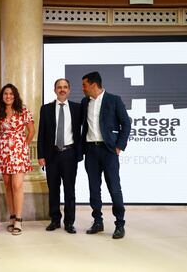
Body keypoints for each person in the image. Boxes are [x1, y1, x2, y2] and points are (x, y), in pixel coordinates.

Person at [80, 71, 131, 239]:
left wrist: (119, 147)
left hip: (109, 151)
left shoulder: (114, 100)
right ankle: (97, 221)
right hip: (91, 151)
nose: (83, 89)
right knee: (94, 189)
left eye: (85, 85)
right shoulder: (84, 102)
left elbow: (126, 123)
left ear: (94, 85)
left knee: (114, 189)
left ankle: (120, 224)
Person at [37, 78, 82, 234]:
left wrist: (79, 153)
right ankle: (55, 220)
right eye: (59, 87)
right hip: (52, 155)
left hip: (70, 154)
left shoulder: (77, 108)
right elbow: (41, 133)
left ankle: (69, 222)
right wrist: (40, 155)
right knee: (54, 189)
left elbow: (84, 131)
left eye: (65, 87)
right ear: (54, 90)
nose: (62, 90)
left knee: (70, 190)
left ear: (69, 90)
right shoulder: (46, 109)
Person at [0, 83, 35, 235]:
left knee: (17, 184)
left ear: (15, 95)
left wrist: (24, 146)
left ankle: (19, 219)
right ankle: (12, 217)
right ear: (2, 96)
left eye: (11, 94)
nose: (8, 96)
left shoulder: (22, 110)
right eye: (6, 93)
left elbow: (31, 130)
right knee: (7, 184)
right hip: (3, 150)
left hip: (18, 151)